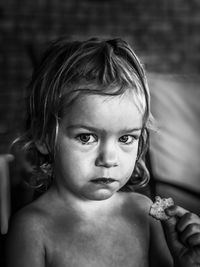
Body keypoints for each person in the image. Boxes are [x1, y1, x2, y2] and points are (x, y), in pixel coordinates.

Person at [5, 37, 200, 267]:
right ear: (43, 136)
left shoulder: (144, 213)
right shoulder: (32, 229)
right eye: (86, 137)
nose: (109, 159)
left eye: (126, 138)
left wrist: (186, 263)